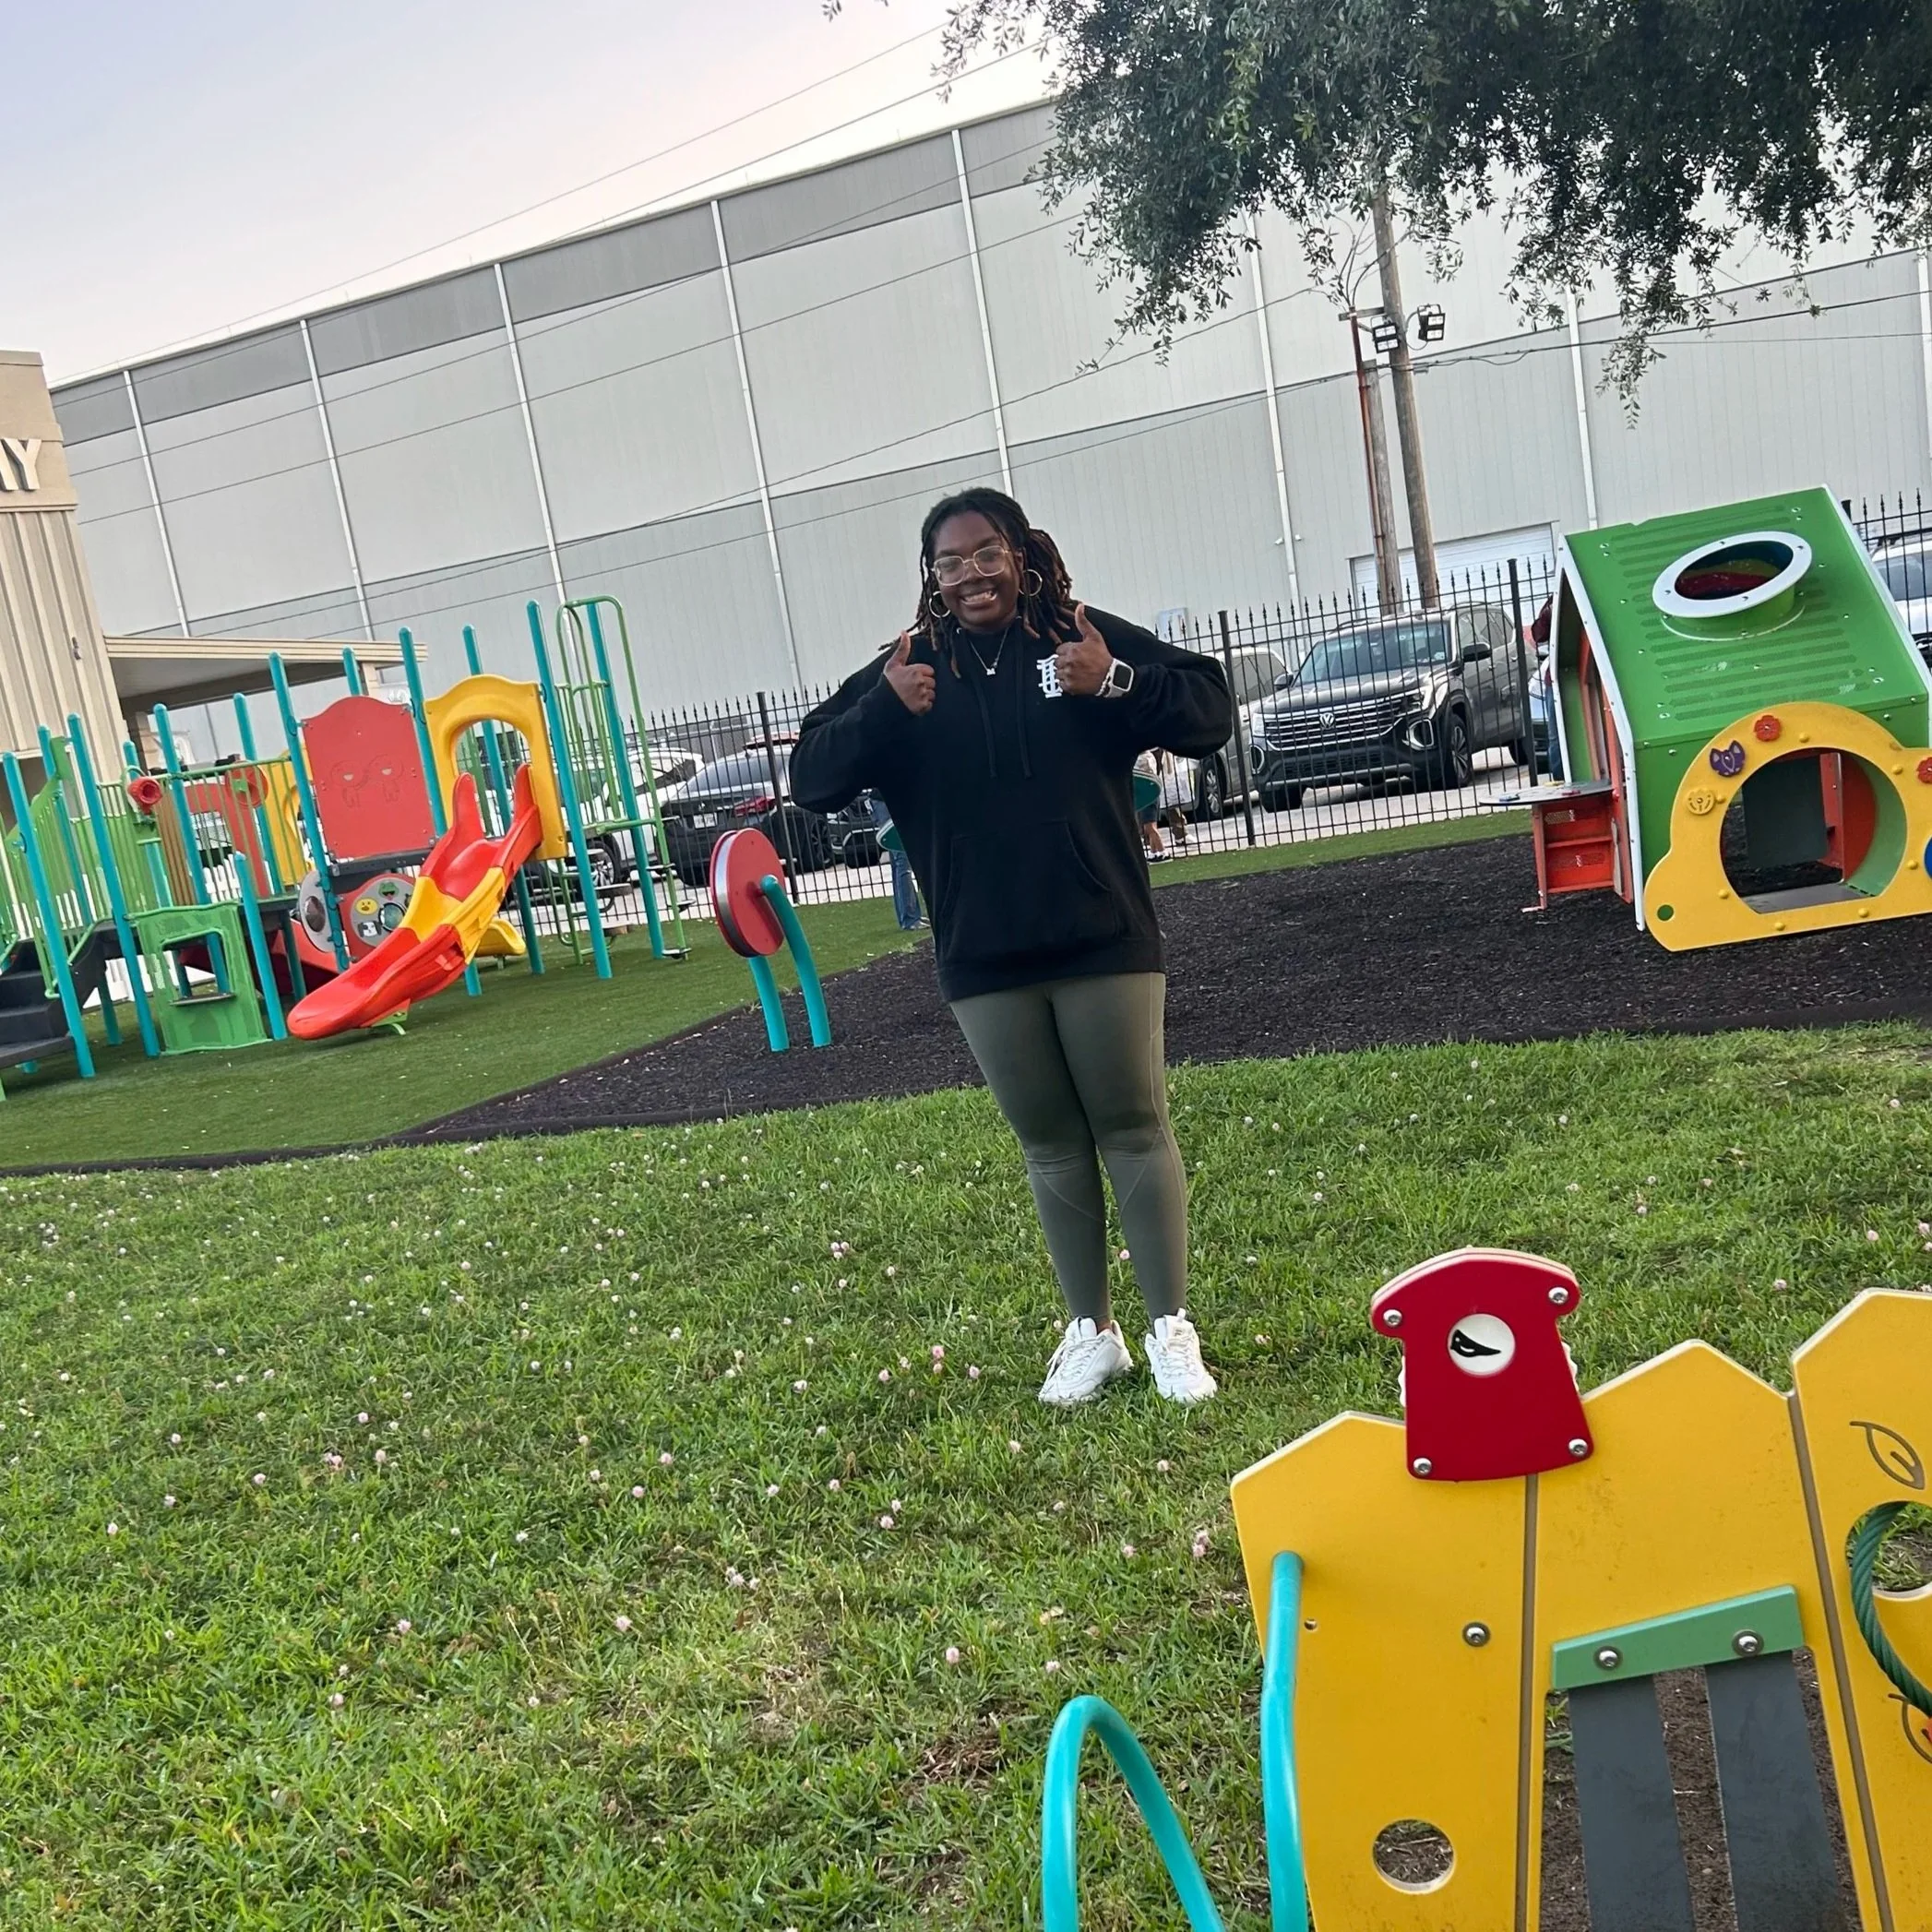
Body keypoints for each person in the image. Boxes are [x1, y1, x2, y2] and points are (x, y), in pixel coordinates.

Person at [791, 487, 1234, 1407]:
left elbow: (1207, 709)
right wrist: (883, 710)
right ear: (932, 578)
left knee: (1132, 1124)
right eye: (949, 563)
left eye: (986, 553)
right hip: (984, 956)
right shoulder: (906, 671)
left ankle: (1168, 1332)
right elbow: (813, 779)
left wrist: (1115, 683)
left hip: (1103, 936)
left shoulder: (1075, 639)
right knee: (1051, 1144)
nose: (971, 575)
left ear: (1021, 554)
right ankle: (1092, 1334)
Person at [866, 791, 924, 929]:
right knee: (902, 860)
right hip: (885, 801)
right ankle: (910, 919)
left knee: (899, 862)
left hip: (883, 801)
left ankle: (909, 915)